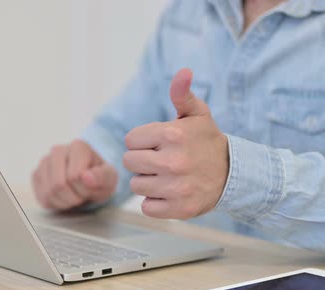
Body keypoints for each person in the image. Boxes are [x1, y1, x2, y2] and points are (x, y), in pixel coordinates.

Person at [31, 0, 325, 251]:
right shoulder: (187, 12)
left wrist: (233, 174)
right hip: (198, 289)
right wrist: (87, 175)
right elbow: (120, 132)